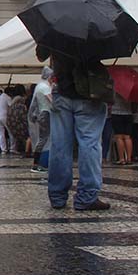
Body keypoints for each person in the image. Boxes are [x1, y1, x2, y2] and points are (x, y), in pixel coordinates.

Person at [39, 45, 112, 211]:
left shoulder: (55, 31)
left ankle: (57, 196)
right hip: (89, 92)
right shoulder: (97, 31)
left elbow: (41, 54)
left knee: (60, 145)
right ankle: (87, 196)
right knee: (89, 144)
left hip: (63, 91)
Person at [29, 68, 54, 172]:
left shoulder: (39, 86)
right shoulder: (45, 87)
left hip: (41, 114)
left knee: (42, 139)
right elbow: (51, 100)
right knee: (43, 139)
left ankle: (37, 163)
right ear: (49, 76)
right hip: (45, 113)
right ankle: (37, 164)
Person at [110, 94, 134, 165]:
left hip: (116, 113)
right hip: (128, 113)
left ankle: (121, 159)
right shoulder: (130, 91)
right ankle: (129, 158)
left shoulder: (116, 89)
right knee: (127, 137)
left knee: (119, 137)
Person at [7, 85, 30, 157]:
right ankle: (27, 151)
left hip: (11, 124)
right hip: (20, 125)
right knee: (29, 136)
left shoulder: (12, 104)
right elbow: (24, 117)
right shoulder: (22, 105)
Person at [0, 86, 13, 154]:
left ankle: (3, 149)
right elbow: (11, 106)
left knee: (1, 134)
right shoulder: (8, 98)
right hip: (5, 117)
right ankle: (12, 148)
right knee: (11, 132)